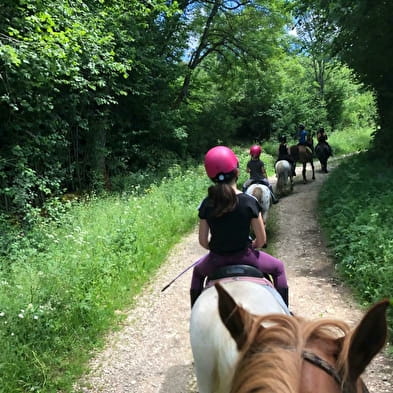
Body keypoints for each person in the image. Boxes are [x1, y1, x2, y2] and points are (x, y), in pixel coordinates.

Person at [190, 146, 289, 308]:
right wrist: (253, 246)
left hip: (216, 259)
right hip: (246, 256)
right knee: (278, 268)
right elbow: (262, 239)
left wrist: (216, 247)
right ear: (236, 172)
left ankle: (194, 312)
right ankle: (285, 315)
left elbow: (202, 241)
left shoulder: (207, 204)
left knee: (198, 273)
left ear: (211, 176)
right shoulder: (249, 202)